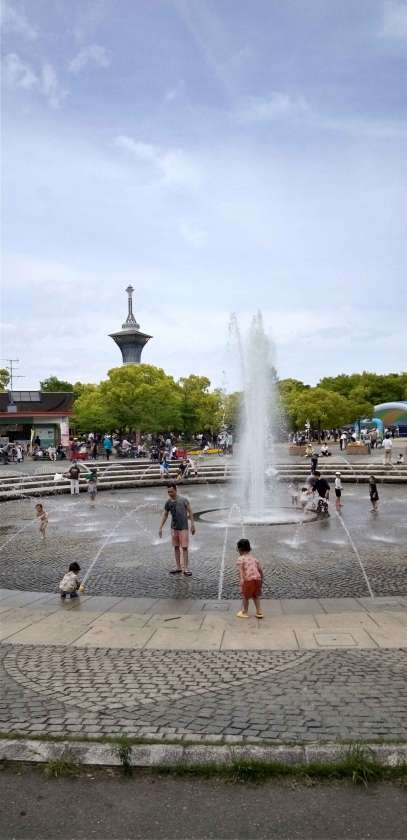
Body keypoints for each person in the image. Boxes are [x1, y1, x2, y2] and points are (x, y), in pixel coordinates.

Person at [158, 483, 195, 576]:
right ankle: (178, 567)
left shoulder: (184, 500)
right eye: (168, 492)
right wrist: (160, 527)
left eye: (171, 491)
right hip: (174, 528)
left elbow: (190, 512)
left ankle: (186, 568)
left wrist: (192, 525)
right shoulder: (168, 502)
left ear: (175, 490)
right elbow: (165, 514)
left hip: (183, 527)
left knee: (185, 547)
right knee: (176, 547)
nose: (170, 493)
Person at [236, 538, 263, 619]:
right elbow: (260, 570)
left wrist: (241, 581)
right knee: (256, 596)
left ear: (239, 549)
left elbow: (241, 571)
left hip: (248, 580)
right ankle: (259, 612)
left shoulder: (240, 559)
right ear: (249, 548)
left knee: (245, 597)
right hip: (257, 579)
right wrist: (261, 579)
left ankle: (245, 612)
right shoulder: (254, 558)